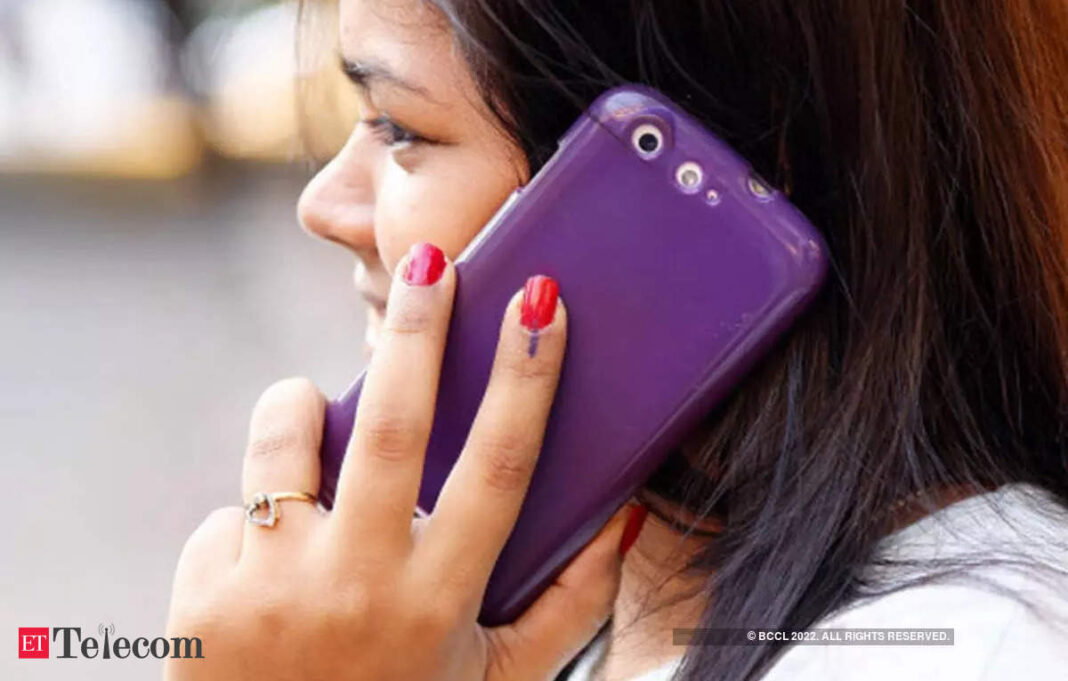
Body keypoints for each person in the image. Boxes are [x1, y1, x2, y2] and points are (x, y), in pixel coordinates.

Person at [163, 1, 1068, 680]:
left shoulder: (967, 650)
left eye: (400, 129)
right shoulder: (528, 608)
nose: (322, 205)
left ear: (699, 190)